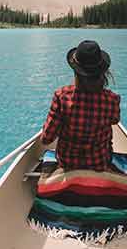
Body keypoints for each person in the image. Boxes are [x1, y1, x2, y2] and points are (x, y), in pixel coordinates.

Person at [41, 40, 121, 172]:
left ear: (76, 71)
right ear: (101, 72)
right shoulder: (112, 99)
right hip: (100, 164)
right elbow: (115, 120)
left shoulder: (61, 96)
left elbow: (46, 139)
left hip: (67, 165)